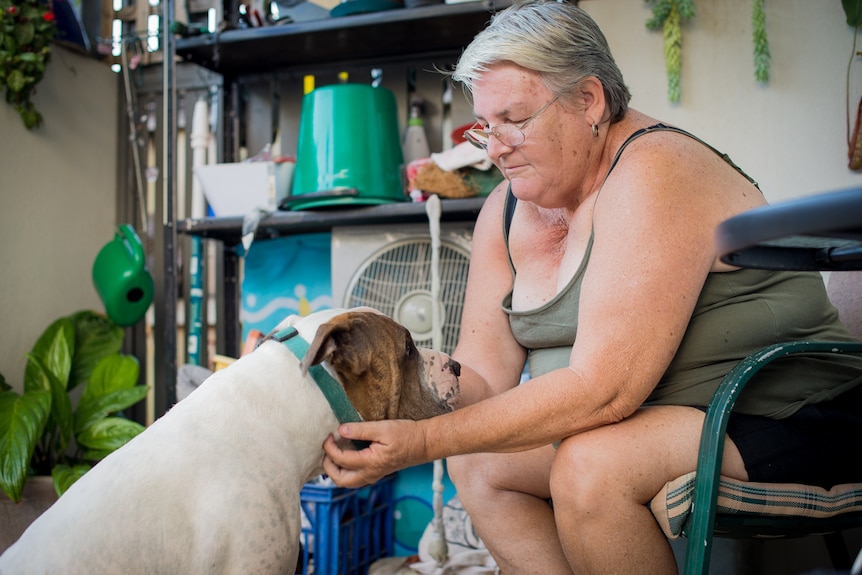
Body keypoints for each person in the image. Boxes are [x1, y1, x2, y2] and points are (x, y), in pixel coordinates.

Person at [322, 2, 862, 573]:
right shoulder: (503, 212)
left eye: (516, 119)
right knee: (479, 463)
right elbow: (480, 378)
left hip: (793, 414)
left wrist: (424, 444)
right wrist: (350, 396)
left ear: (589, 100)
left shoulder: (656, 168)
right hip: (651, 423)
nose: (496, 148)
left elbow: (604, 390)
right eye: (487, 125)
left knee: (590, 464)